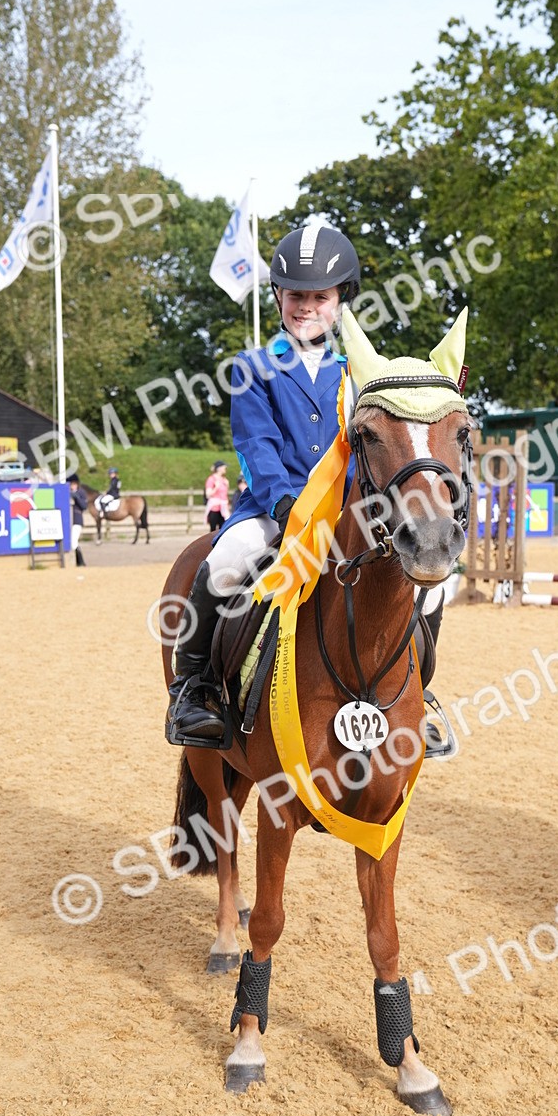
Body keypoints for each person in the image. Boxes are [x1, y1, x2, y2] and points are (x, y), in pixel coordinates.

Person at [166, 224, 361, 741]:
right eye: (297, 295)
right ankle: (193, 688)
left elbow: (369, 447)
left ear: (341, 300)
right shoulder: (252, 366)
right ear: (278, 295)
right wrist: (284, 504)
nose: (307, 307)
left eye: (320, 296)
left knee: (429, 583)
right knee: (226, 560)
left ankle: (417, 692)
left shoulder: (358, 374)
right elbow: (257, 446)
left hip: (347, 511)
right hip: (273, 510)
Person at [204, 461, 229, 533]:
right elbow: (208, 494)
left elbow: (224, 494)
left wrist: (227, 485)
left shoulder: (224, 479)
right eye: (224, 467)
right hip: (214, 508)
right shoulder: (211, 479)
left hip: (223, 508)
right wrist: (216, 488)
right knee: (213, 530)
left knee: (223, 529)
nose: (225, 468)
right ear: (219, 468)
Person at [68, 475, 87, 567]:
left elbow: (84, 506)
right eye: (71, 484)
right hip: (69, 520)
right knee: (72, 542)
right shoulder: (67, 492)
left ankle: (81, 561)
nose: (72, 486)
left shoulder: (81, 493)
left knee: (74, 541)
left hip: (77, 519)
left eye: (74, 484)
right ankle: (78, 561)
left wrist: (77, 498)